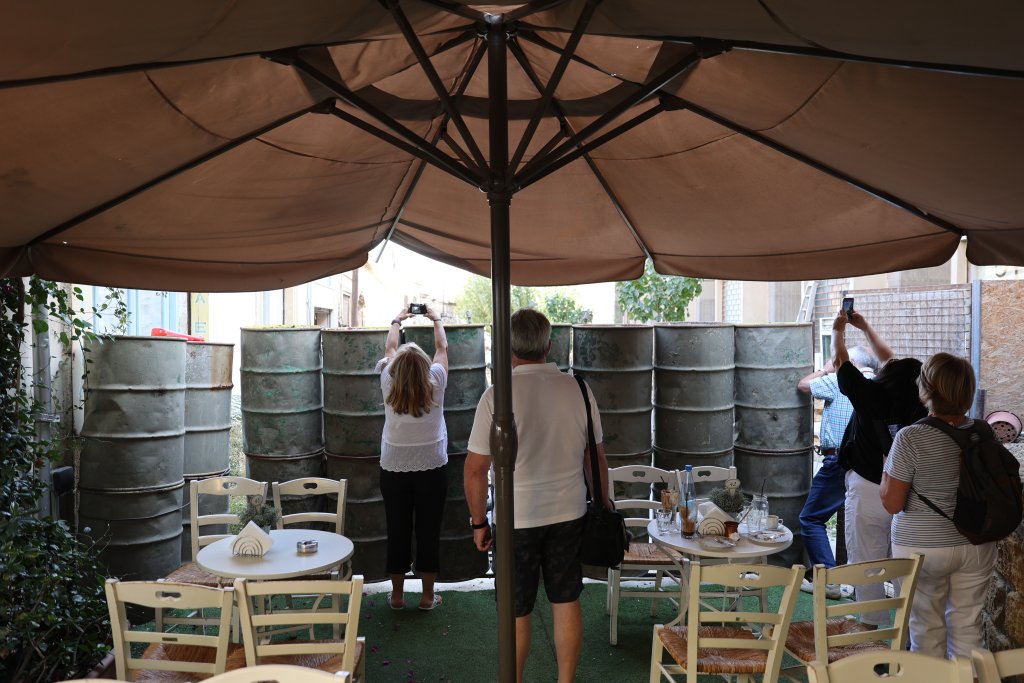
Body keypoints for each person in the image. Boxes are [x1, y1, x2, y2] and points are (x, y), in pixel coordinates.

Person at [463, 309, 612, 683]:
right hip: (570, 512)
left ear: (508, 349)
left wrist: (479, 521)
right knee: (566, 600)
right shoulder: (578, 389)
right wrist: (604, 505)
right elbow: (595, 457)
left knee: (517, 610)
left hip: (517, 518)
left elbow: (475, 469)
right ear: (549, 345)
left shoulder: (496, 396)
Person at [881, 353, 996, 659]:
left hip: (921, 546)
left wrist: (885, 473)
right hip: (975, 542)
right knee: (968, 630)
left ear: (927, 389)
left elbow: (892, 503)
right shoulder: (984, 433)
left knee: (926, 631)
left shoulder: (911, 438)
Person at [833, 308, 926, 626]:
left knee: (866, 563)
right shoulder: (919, 404)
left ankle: (869, 631)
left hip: (867, 488)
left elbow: (841, 363)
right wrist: (866, 328)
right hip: (906, 494)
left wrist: (839, 331)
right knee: (904, 564)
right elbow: (892, 362)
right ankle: (908, 634)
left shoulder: (868, 394)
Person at [376, 304, 448, 611]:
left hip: (393, 467)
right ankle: (428, 596)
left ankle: (396, 596)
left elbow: (391, 347)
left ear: (396, 368)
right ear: (424, 367)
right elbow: (442, 347)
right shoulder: (436, 382)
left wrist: (396, 319)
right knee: (429, 529)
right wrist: (435, 319)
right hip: (432, 466)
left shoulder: (387, 380)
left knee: (398, 529)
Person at [797, 346, 877, 599]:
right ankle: (861, 587)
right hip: (869, 465)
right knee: (862, 526)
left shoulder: (839, 380)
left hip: (838, 461)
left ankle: (829, 581)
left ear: (850, 362)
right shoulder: (879, 385)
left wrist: (826, 369)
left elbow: (803, 385)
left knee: (811, 519)